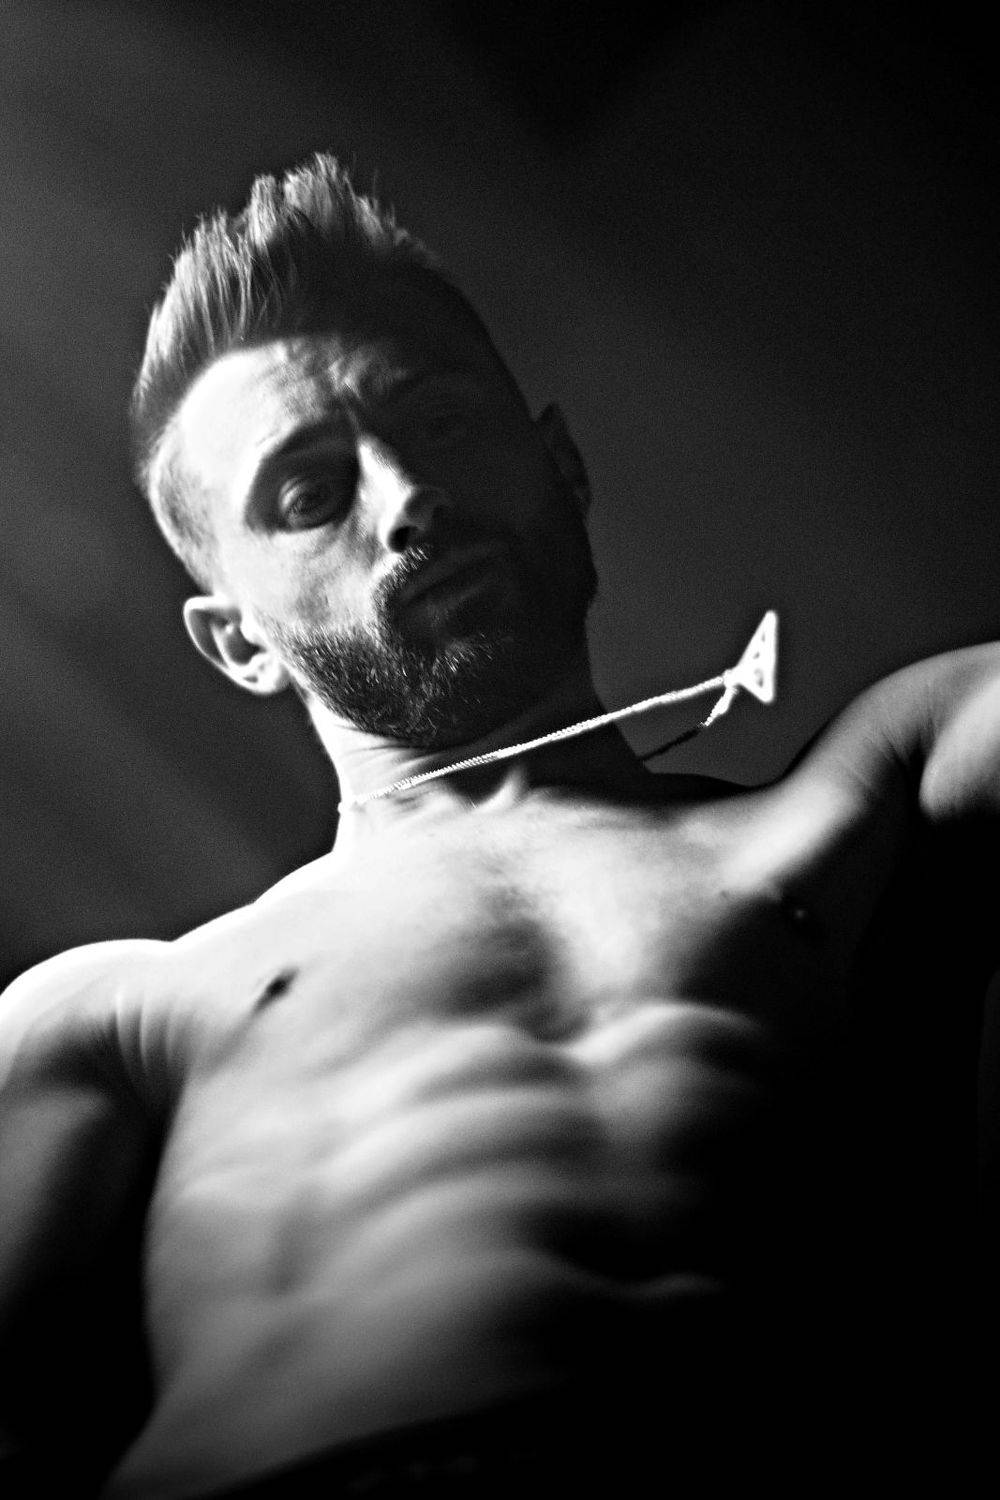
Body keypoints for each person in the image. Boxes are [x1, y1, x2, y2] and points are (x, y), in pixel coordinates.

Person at [1, 153, 996, 1498]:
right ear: (238, 643)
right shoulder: (122, 1009)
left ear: (560, 464)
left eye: (439, 422)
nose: (406, 498)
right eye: (310, 494)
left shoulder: (872, 797)